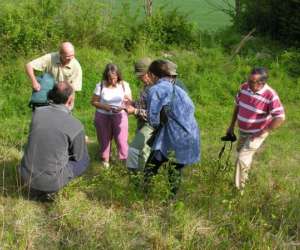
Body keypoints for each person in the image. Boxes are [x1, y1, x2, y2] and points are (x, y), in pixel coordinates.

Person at [20, 81, 90, 201]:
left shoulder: (37, 113)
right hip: (51, 182)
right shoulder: (75, 124)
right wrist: (81, 141)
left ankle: (37, 188)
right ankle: (52, 190)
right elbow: (77, 156)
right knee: (84, 159)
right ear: (70, 100)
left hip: (26, 176)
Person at [144, 59, 201, 196]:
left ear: (152, 75)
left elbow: (153, 119)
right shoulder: (179, 88)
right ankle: (170, 202)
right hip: (190, 134)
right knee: (175, 170)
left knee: (150, 167)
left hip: (173, 136)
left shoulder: (156, 89)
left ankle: (143, 196)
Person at [226, 67, 285, 190]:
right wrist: (231, 126)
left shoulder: (270, 95)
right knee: (241, 156)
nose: (248, 83)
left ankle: (238, 191)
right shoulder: (244, 88)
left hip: (257, 134)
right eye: (248, 80)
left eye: (251, 82)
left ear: (261, 83)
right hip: (242, 131)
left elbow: (280, 117)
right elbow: (238, 106)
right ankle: (244, 178)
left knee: (241, 159)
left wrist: (263, 131)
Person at [91, 63, 132, 168]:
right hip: (103, 115)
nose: (113, 81)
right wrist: (105, 107)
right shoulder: (100, 85)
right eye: (110, 79)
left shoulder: (124, 85)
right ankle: (105, 160)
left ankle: (124, 162)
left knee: (121, 140)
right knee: (104, 139)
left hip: (120, 116)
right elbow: (94, 102)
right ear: (106, 77)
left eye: (115, 78)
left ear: (118, 76)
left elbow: (129, 102)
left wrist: (123, 107)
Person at [25, 42, 82, 109]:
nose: (70, 58)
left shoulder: (76, 66)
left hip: (62, 99)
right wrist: (34, 81)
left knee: (60, 118)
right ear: (60, 54)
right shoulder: (50, 58)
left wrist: (69, 105)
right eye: (68, 56)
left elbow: (73, 89)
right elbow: (29, 66)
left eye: (72, 55)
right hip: (46, 95)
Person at [125, 58, 154, 171]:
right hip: (142, 124)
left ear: (149, 73)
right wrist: (132, 103)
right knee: (140, 152)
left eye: (141, 75)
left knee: (136, 151)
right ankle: (136, 180)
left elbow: (154, 114)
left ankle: (141, 180)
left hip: (150, 126)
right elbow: (144, 104)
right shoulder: (146, 85)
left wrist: (135, 111)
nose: (139, 78)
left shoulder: (156, 88)